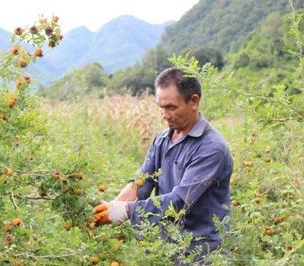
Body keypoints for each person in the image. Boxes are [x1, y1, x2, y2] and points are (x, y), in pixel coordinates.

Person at [94, 67, 234, 261]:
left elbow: (179, 201)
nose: (164, 115)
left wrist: (126, 211)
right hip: (168, 249)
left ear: (194, 101)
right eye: (160, 107)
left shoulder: (211, 148)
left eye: (171, 107)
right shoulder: (162, 139)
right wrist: (111, 207)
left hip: (202, 253)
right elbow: (142, 182)